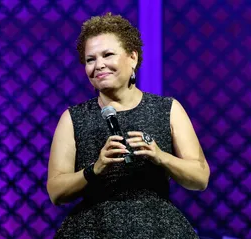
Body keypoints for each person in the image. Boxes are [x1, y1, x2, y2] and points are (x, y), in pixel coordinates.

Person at [47, 12, 210, 239]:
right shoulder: (73, 118)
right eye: (90, 59)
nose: (99, 65)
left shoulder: (167, 109)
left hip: (158, 229)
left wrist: (160, 156)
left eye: (108, 55)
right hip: (93, 230)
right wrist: (95, 169)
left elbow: (200, 178)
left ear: (132, 58)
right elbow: (56, 192)